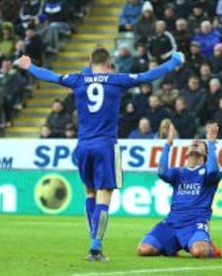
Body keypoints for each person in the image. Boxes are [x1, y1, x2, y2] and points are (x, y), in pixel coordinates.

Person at [16, 48, 184, 261]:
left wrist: (29, 66)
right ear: (108, 63)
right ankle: (95, 248)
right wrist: (174, 60)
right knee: (105, 196)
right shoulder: (116, 80)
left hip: (84, 146)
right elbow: (148, 76)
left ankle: (92, 239)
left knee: (90, 194)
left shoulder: (78, 80)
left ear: (91, 62)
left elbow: (51, 76)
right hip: (106, 146)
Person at [137, 123, 222, 258]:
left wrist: (211, 143)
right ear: (186, 152)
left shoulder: (208, 172)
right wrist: (168, 144)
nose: (195, 143)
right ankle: (171, 246)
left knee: (200, 252)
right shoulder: (178, 172)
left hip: (195, 223)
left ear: (206, 153)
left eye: (200, 143)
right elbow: (161, 172)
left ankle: (209, 247)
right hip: (172, 222)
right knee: (144, 250)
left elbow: (212, 171)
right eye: (192, 143)